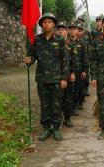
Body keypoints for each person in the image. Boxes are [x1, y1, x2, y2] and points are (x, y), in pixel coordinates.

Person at [24, 13, 69, 141]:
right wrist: (29, 60)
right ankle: (45, 128)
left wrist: (64, 78)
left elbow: (65, 60)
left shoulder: (60, 40)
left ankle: (55, 128)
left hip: (56, 78)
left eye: (50, 22)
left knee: (56, 104)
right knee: (44, 104)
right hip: (42, 78)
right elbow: (33, 56)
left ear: (54, 24)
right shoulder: (37, 39)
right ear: (42, 25)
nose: (47, 24)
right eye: (45, 22)